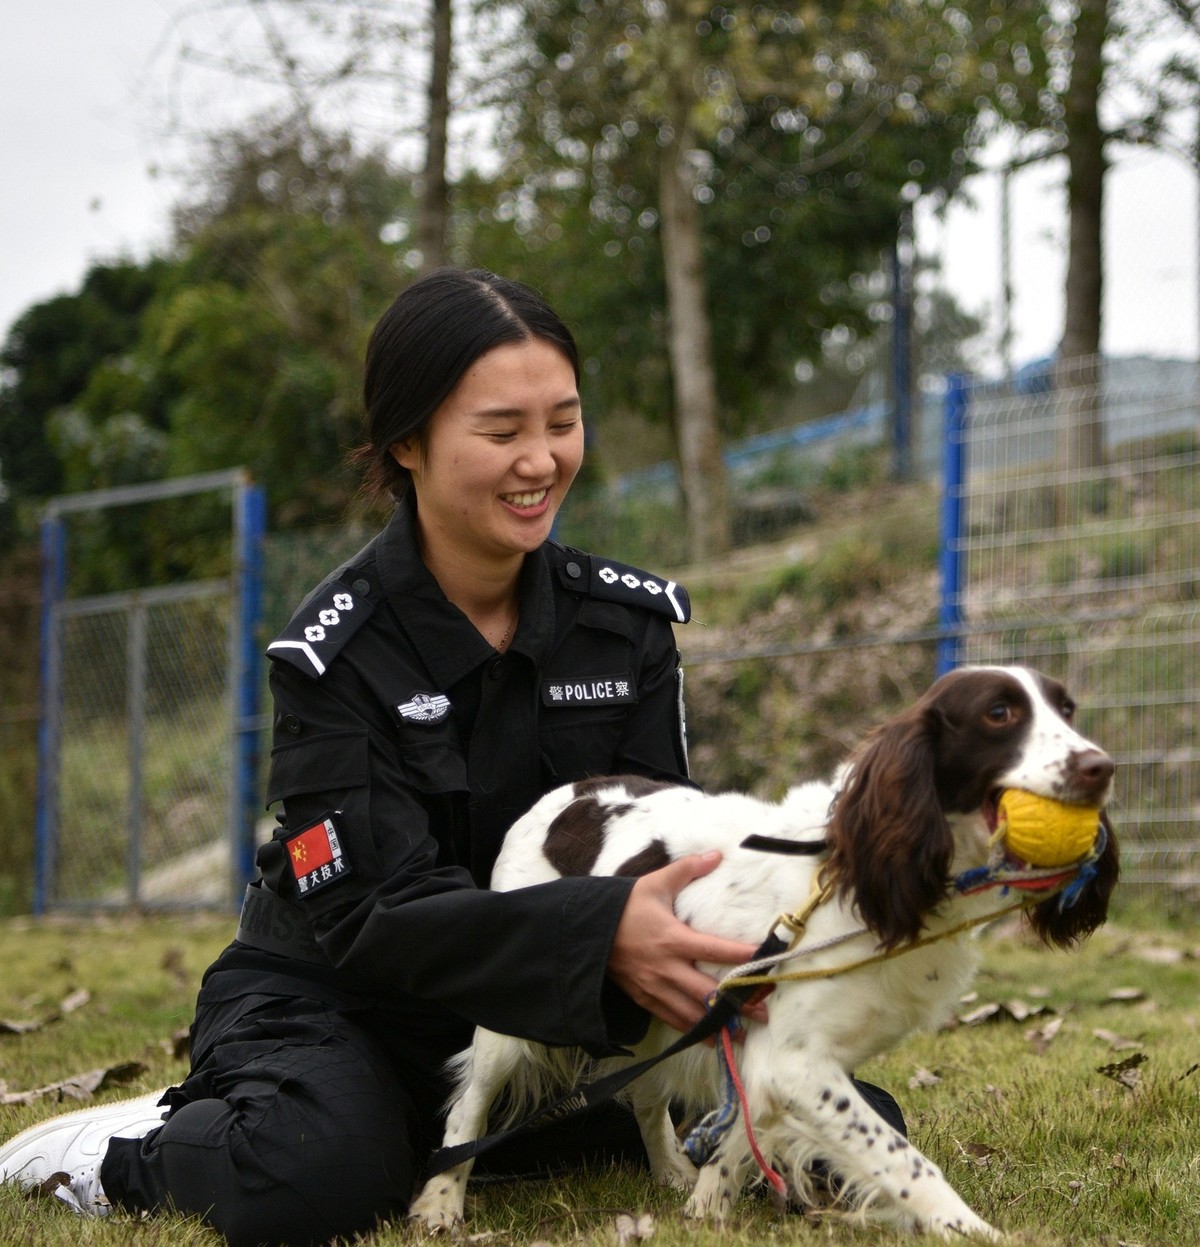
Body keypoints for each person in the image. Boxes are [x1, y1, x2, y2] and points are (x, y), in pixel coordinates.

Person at [0, 268, 774, 1245]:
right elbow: (373, 911)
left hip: (546, 1008)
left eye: (563, 421)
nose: (541, 460)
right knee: (314, 1170)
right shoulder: (332, 653)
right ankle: (119, 1149)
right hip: (347, 999)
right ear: (407, 442)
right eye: (501, 431)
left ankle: (480, 1127)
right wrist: (594, 935)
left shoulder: (626, 628)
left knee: (833, 1124)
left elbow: (669, 841)